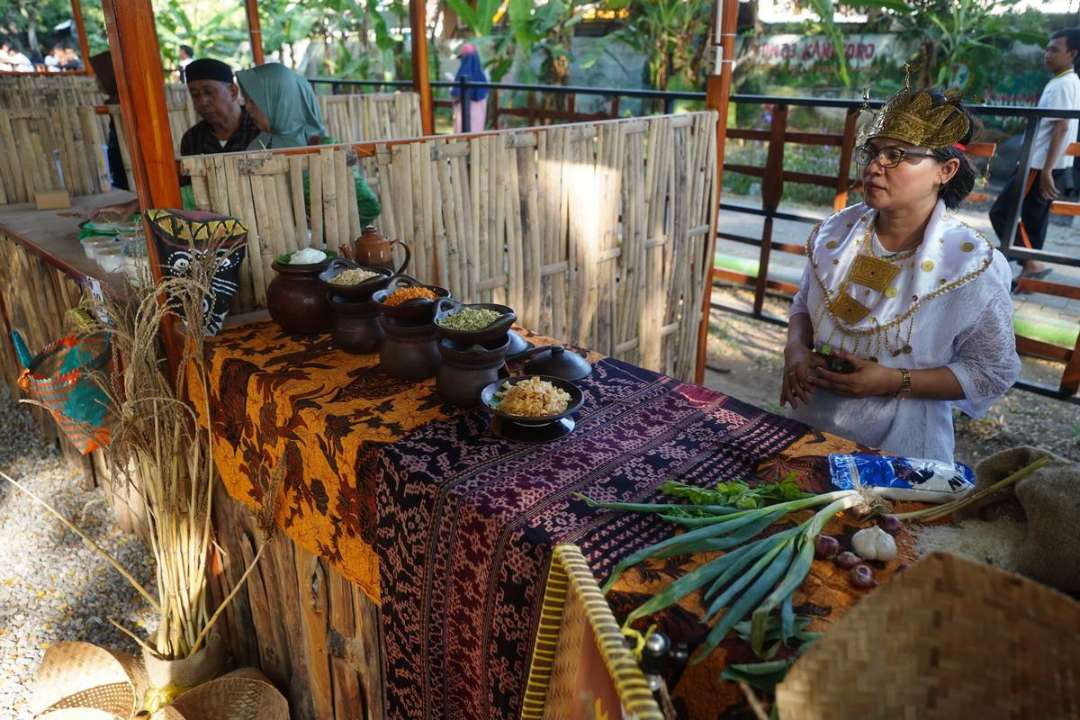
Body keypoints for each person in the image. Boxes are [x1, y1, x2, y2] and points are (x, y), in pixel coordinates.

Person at [781, 86, 1020, 464]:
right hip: (809, 428)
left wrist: (895, 381)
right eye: (874, 152)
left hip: (901, 452)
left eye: (898, 155)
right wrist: (795, 348)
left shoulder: (970, 264)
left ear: (946, 170)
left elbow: (991, 371)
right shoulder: (835, 234)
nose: (876, 166)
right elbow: (802, 304)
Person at [234, 62, 381, 224]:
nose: (246, 107)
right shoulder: (258, 145)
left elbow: (369, 207)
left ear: (280, 100)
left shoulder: (324, 148)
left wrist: (318, 228)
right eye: (246, 100)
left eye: (252, 100)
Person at [989, 28, 1080, 281]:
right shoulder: (1067, 81)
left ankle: (1032, 264)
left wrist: (1047, 170)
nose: (1046, 54)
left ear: (1072, 53)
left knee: (1000, 212)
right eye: (1047, 48)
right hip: (1045, 163)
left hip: (1039, 164)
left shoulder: (1064, 84)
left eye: (1054, 50)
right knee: (1034, 220)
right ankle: (1029, 270)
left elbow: (1061, 127)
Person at [180, 58, 262, 156]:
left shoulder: (260, 129)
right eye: (195, 94)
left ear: (233, 91)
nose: (202, 102)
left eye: (209, 92)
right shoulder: (192, 139)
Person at [451, 43, 488, 134]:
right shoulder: (481, 76)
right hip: (479, 107)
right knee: (476, 134)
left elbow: (456, 94)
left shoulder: (462, 73)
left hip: (464, 109)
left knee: (462, 135)